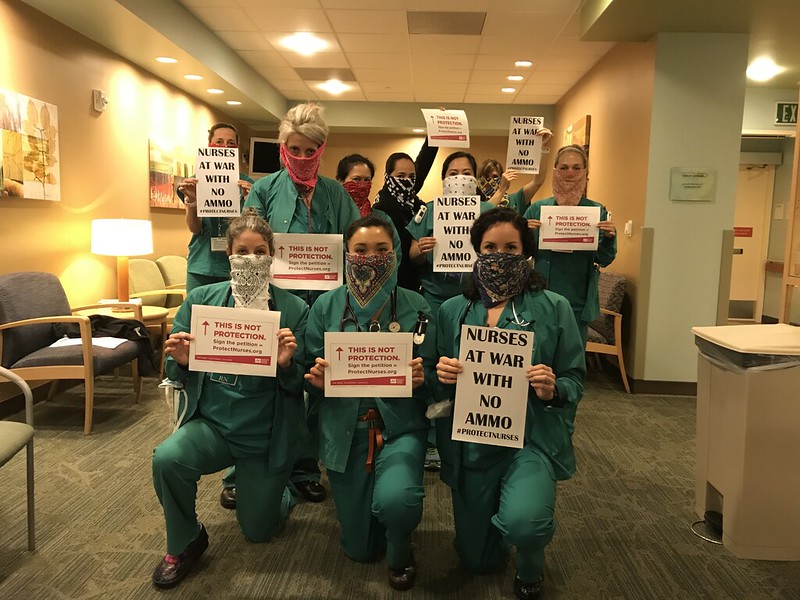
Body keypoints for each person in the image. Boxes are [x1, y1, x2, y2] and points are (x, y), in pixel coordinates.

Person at [434, 207, 585, 600]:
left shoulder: (555, 308)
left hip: (529, 440)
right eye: (489, 247)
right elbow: (433, 385)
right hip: (472, 444)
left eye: (510, 247)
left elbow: (575, 378)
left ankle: (530, 568)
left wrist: (554, 389)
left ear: (526, 253)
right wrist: (443, 375)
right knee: (476, 561)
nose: (499, 255)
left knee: (524, 524)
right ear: (476, 251)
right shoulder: (452, 311)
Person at [151, 210, 308, 588]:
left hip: (264, 437)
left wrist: (287, 366)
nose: (251, 259)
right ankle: (185, 539)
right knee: (167, 459)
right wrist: (181, 362)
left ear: (272, 254)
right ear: (228, 253)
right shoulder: (202, 302)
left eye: (260, 251)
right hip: (213, 426)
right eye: (242, 251)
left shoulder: (295, 309)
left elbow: (301, 386)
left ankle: (278, 489)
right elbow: (174, 376)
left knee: (258, 531)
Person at [304, 213, 435, 591]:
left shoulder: (419, 308)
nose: (370, 258)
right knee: (360, 549)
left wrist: (421, 379)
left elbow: (439, 387)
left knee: (397, 503)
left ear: (394, 254)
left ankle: (400, 545)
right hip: (347, 433)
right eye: (360, 250)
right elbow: (307, 376)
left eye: (381, 249)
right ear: (346, 254)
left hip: (400, 429)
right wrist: (316, 381)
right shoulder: (326, 307)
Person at [244, 102, 360, 506]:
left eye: (312, 150)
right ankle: (245, 467)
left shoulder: (336, 193)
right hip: (276, 303)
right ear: (283, 148)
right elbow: (247, 246)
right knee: (270, 382)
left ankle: (307, 467)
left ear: (322, 149)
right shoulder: (263, 190)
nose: (304, 158)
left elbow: (353, 243)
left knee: (317, 381)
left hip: (326, 305)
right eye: (296, 149)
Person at [523, 144, 617, 346]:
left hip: (577, 298)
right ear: (555, 171)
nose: (570, 173)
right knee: (538, 354)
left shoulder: (596, 211)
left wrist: (609, 237)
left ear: (585, 172)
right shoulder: (538, 209)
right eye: (564, 167)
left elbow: (604, 259)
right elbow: (518, 254)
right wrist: (524, 234)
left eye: (576, 167)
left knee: (571, 356)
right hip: (540, 295)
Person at [178, 123, 254, 293]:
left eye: (230, 143)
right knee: (197, 315)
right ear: (209, 145)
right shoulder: (193, 183)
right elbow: (194, 227)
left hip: (239, 265)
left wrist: (250, 201)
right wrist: (192, 200)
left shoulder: (250, 186)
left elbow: (253, 229)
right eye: (219, 142)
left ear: (236, 148)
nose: (224, 147)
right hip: (202, 265)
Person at [372, 140, 439, 292]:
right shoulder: (380, 209)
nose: (406, 182)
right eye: (400, 175)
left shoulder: (417, 206)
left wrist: (435, 136)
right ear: (388, 177)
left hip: (416, 285)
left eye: (411, 177)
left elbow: (423, 164)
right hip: (389, 285)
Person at [478, 127, 553, 214]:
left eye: (495, 177)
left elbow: (538, 181)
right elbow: (482, 214)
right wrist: (501, 190)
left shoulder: (515, 200)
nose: (490, 181)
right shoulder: (475, 205)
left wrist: (544, 148)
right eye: (486, 177)